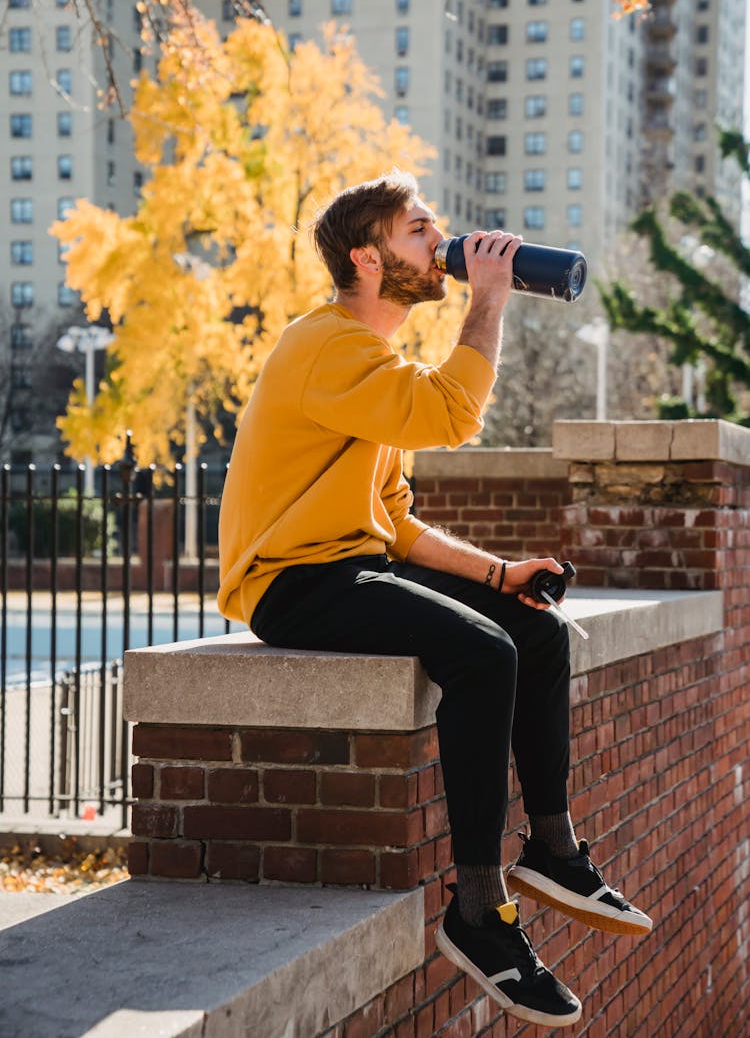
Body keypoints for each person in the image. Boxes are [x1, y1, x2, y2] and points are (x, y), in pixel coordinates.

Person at [218, 171, 652, 1029]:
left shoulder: (372, 362)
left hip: (351, 561)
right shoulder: (326, 345)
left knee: (533, 630)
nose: (442, 241)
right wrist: (488, 299)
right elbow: (455, 414)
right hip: (291, 580)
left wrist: (500, 574)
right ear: (367, 259)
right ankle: (479, 910)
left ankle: (555, 850)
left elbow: (396, 520)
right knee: (482, 656)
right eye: (420, 230)